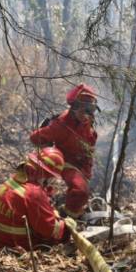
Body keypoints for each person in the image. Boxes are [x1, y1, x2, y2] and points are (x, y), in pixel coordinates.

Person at [0, 146, 77, 249]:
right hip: (11, 243)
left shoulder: (17, 178)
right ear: (46, 174)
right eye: (51, 177)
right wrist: (66, 228)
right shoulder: (35, 193)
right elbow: (49, 230)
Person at [29, 84, 98, 218]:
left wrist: (86, 174)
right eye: (82, 109)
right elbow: (35, 138)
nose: (86, 114)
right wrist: (51, 154)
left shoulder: (88, 123)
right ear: (73, 107)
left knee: (82, 188)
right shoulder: (60, 125)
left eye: (89, 110)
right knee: (80, 191)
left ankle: (68, 206)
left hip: (80, 163)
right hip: (64, 161)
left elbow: (89, 150)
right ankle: (66, 218)